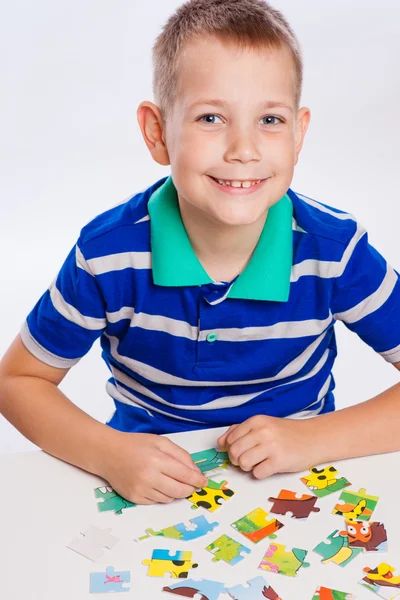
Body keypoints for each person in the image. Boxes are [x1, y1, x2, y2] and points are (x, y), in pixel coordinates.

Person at [1, 0, 399, 506]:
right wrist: (109, 453)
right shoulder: (107, 256)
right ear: (156, 132)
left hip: (298, 486)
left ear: (299, 133)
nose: (244, 149)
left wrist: (312, 439)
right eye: (211, 117)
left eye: (270, 120)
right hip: (144, 485)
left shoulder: (334, 251)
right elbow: (18, 380)